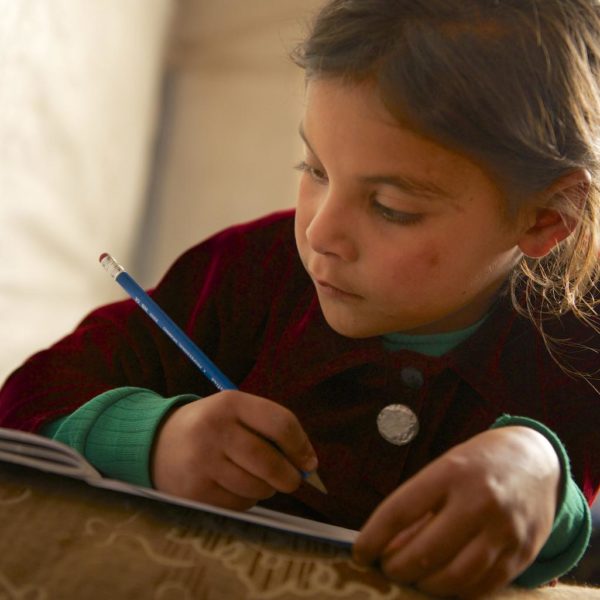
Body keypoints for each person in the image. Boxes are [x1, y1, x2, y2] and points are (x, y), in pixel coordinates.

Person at [1, 0, 598, 597]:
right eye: (314, 169)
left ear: (547, 217)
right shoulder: (245, 275)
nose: (319, 233)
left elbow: (578, 542)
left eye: (392, 208)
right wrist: (155, 438)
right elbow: (28, 401)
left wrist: (540, 476)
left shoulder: (579, 342)